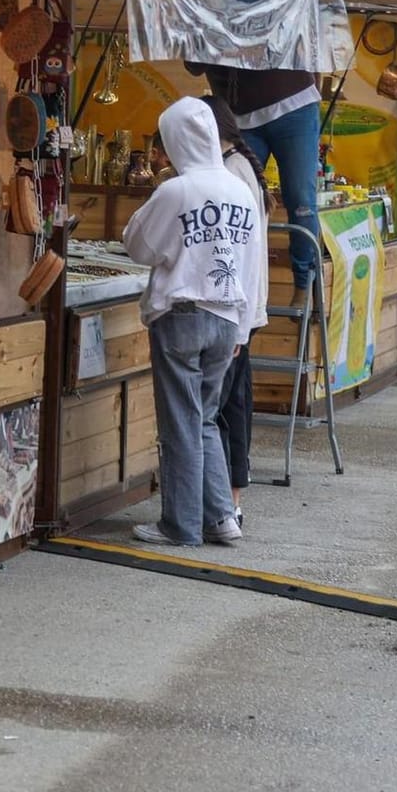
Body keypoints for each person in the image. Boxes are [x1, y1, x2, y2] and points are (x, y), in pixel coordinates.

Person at [122, 98, 267, 546]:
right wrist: (243, 326)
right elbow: (250, 263)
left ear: (176, 139)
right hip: (227, 317)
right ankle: (222, 515)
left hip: (182, 316)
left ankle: (181, 524)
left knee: (180, 423)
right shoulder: (241, 190)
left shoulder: (175, 191)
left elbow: (138, 247)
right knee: (204, 418)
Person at [186, 63, 321, 294]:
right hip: (239, 114)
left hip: (293, 103)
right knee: (234, 201)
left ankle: (304, 285)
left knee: (300, 199)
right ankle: (232, 284)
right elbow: (193, 66)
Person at [201, 95, 267, 524]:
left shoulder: (230, 172)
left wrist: (241, 326)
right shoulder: (239, 167)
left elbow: (239, 252)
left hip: (235, 308)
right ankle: (231, 502)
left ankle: (224, 508)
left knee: (217, 412)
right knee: (232, 406)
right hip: (244, 308)